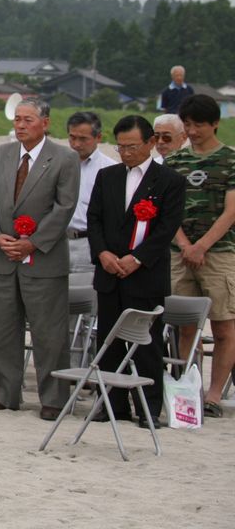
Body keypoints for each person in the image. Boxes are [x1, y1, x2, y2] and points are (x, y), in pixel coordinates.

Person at [0, 98, 79, 420]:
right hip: (5, 256)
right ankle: (3, 395)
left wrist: (33, 242)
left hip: (44, 259)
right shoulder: (1, 155)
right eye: (17, 119)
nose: (20, 125)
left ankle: (53, 398)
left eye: (28, 120)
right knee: (3, 330)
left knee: (49, 333)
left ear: (45, 123)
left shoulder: (64, 158)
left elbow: (64, 208)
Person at [86, 115, 185, 428]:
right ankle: (113, 405)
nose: (126, 153)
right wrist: (102, 253)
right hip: (109, 273)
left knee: (147, 344)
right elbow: (95, 219)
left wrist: (137, 258)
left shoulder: (169, 180)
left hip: (145, 275)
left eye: (132, 146)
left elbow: (166, 228)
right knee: (110, 342)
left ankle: (149, 409)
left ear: (150, 143)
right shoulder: (107, 176)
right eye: (121, 147)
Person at [163, 94, 235, 418]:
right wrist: (183, 244)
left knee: (223, 326)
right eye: (188, 125)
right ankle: (187, 386)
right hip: (180, 254)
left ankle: (215, 393)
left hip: (219, 253)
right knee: (184, 325)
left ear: (215, 123)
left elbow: (230, 211)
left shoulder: (230, 160)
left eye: (199, 125)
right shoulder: (175, 162)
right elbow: (167, 210)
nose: (192, 131)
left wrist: (202, 245)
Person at [65, 111, 118, 274]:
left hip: (90, 244)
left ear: (98, 137)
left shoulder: (111, 169)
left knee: (86, 295)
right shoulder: (59, 165)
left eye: (83, 139)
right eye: (72, 137)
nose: (76, 144)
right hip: (60, 242)